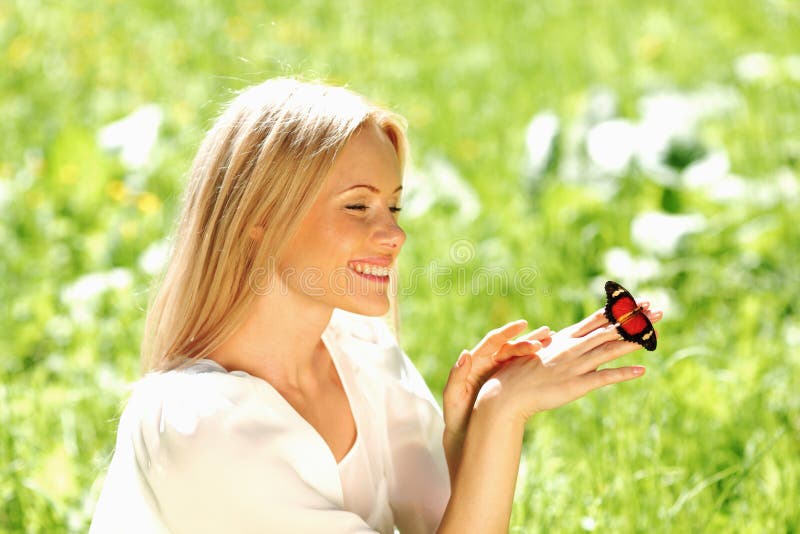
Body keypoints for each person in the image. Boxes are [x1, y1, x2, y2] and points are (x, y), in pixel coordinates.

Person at [89, 77, 662, 533]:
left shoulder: (362, 352)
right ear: (259, 221)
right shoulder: (200, 428)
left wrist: (466, 436)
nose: (394, 236)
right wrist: (501, 415)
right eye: (357, 207)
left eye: (394, 208)